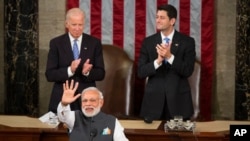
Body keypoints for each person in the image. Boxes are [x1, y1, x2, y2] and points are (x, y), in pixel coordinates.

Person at [137, 4, 196, 123]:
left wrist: (170, 57)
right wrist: (158, 61)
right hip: (153, 103)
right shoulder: (148, 42)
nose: (158, 20)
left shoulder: (187, 42)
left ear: (172, 21)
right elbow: (141, 72)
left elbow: (188, 70)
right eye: (157, 17)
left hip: (178, 103)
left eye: (162, 18)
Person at [45, 8, 105, 113]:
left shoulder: (94, 43)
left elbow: (101, 73)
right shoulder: (56, 43)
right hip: (62, 98)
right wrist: (69, 70)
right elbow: (50, 74)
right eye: (74, 24)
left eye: (80, 25)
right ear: (66, 24)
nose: (77, 28)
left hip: (86, 99)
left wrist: (87, 72)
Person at [57, 80, 129, 141]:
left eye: (92, 100)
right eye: (85, 101)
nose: (88, 104)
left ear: (101, 102)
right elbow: (63, 116)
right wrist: (64, 104)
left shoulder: (112, 121)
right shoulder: (74, 117)